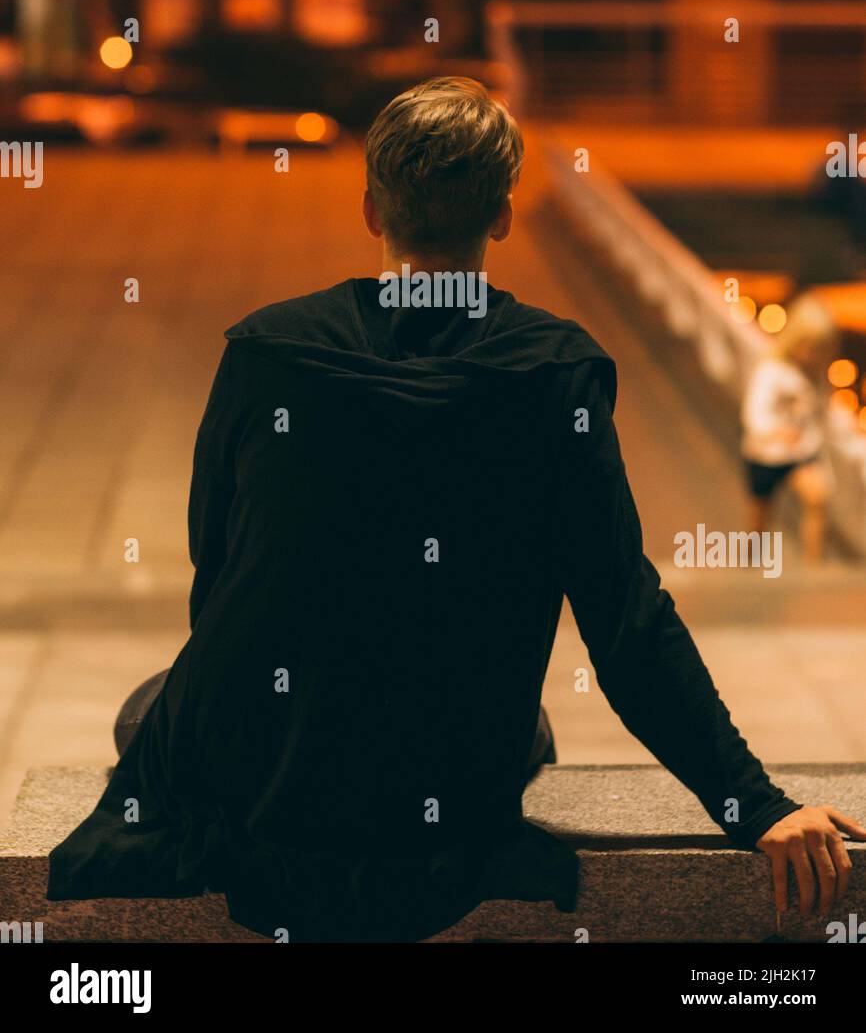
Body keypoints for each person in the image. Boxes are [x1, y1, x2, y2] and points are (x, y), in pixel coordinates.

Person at [48, 78, 865, 941]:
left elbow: (212, 568)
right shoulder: (555, 374)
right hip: (431, 787)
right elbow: (627, 627)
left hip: (268, 767)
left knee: (148, 708)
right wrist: (754, 804)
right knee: (531, 731)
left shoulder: (266, 351)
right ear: (503, 215)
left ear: (372, 209)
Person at [742, 294, 837, 564]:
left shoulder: (816, 375)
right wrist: (775, 432)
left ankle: (813, 566)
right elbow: (754, 413)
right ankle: (747, 569)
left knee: (817, 497)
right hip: (766, 454)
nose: (812, 354)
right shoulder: (772, 369)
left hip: (800, 452)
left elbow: (821, 414)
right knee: (759, 520)